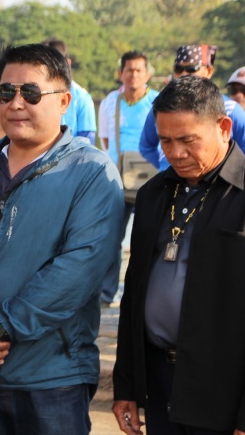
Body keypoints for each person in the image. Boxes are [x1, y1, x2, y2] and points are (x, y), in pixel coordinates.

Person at [0, 44, 124, 434]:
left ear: (64, 101)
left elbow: (78, 269)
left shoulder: (91, 173)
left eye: (31, 93)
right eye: (6, 92)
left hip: (51, 376)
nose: (16, 103)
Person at [113, 76, 245, 435]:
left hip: (227, 389)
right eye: (165, 141)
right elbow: (133, 295)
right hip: (160, 380)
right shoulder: (153, 193)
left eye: (188, 140)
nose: (175, 153)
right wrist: (126, 385)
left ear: (224, 128)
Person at [97, 50, 159, 306]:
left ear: (147, 74)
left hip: (151, 178)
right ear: (120, 73)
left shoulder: (157, 101)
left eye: (138, 70)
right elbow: (105, 140)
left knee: (149, 237)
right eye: (129, 70)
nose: (133, 75)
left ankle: (145, 292)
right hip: (117, 179)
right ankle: (106, 293)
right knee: (112, 237)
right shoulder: (110, 102)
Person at [139, 45, 245, 169]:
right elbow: (146, 147)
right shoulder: (161, 108)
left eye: (192, 68)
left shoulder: (230, 109)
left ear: (209, 71)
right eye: (178, 69)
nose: (184, 74)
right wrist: (167, 168)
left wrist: (227, 175)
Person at [43, 39, 97, 145]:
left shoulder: (82, 98)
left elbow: (87, 141)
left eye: (53, 63)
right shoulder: (30, 95)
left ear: (68, 63)